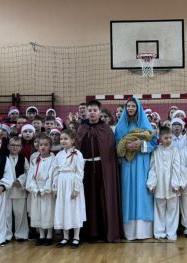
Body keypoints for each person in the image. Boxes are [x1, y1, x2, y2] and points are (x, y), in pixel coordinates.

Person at [75, 99, 122, 242]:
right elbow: (77, 149)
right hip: (86, 170)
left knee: (102, 199)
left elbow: (110, 153)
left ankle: (103, 231)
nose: (92, 113)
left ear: (99, 112)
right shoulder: (81, 128)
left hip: (102, 170)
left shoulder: (106, 129)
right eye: (89, 110)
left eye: (95, 110)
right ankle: (88, 232)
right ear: (86, 112)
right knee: (87, 200)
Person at [114, 97, 157, 240]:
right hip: (127, 164)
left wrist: (141, 144)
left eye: (133, 106)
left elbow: (154, 144)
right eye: (128, 106)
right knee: (128, 192)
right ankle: (129, 231)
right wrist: (125, 146)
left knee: (142, 192)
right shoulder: (120, 127)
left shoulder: (146, 125)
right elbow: (116, 146)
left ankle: (143, 231)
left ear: (138, 108)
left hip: (142, 163)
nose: (130, 108)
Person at [146, 126, 183, 241]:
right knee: (159, 210)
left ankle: (171, 232)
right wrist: (152, 183)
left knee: (172, 210)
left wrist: (176, 184)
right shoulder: (156, 150)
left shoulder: (175, 150)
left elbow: (177, 167)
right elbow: (152, 167)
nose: (168, 140)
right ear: (160, 138)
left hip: (172, 186)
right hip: (160, 186)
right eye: (166, 138)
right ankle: (159, 232)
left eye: (170, 138)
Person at [52, 130, 86, 248]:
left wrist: (76, 188)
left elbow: (79, 172)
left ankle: (76, 237)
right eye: (61, 139)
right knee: (63, 209)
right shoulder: (59, 155)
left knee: (74, 209)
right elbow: (55, 171)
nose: (63, 141)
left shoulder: (78, 154)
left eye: (66, 138)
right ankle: (65, 237)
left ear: (72, 140)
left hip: (72, 183)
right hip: (61, 183)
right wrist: (55, 187)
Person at [26, 134, 55, 246]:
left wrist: (45, 189)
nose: (43, 147)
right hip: (36, 190)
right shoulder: (35, 160)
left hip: (47, 190)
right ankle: (41, 234)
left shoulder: (53, 160)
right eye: (41, 145)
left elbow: (52, 175)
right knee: (38, 212)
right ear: (37, 146)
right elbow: (31, 176)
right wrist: (35, 188)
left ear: (50, 146)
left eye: (46, 145)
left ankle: (49, 235)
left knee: (48, 211)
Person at [5, 136, 29, 242]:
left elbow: (28, 172)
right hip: (7, 190)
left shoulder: (23, 159)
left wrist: (20, 180)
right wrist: (9, 181)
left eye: (17, 145)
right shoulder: (4, 158)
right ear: (8, 146)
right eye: (12, 145)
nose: (15, 147)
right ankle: (6, 235)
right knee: (6, 214)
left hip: (19, 190)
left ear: (21, 147)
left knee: (20, 213)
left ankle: (21, 234)